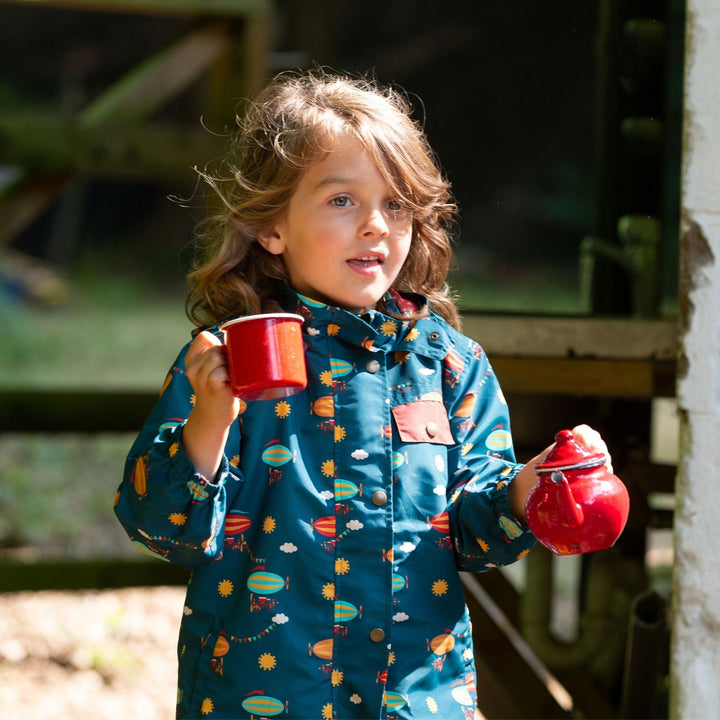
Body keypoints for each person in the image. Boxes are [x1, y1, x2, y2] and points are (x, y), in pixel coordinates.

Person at [114, 69, 611, 720]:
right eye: (342, 200)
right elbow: (160, 530)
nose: (377, 226)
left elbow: (474, 535)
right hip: (260, 695)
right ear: (272, 227)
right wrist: (210, 421)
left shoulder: (450, 367)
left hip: (414, 701)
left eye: (397, 204)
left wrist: (528, 488)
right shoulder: (227, 364)